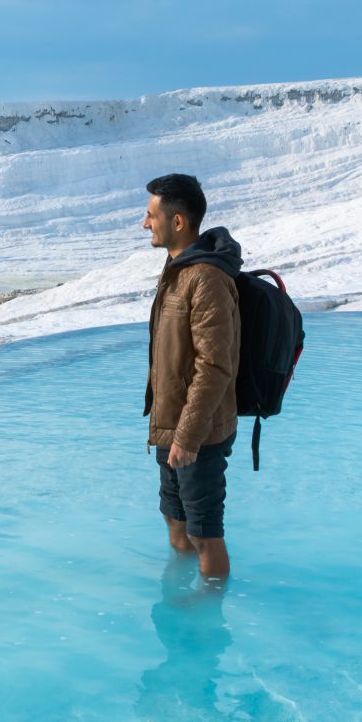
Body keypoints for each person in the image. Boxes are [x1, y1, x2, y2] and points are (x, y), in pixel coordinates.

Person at [141, 173, 241, 580]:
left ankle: (209, 616)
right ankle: (180, 591)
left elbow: (214, 366)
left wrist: (188, 434)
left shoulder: (207, 279)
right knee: (175, 521)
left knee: (204, 534)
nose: (145, 223)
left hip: (199, 433)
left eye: (150, 215)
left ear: (178, 222)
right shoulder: (177, 270)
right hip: (170, 425)